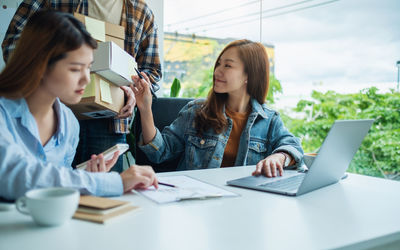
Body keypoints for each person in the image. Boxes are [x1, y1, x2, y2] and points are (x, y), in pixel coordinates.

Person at [0, 10, 158, 201]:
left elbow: (56, 191)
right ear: (39, 64)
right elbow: (14, 175)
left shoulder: (68, 123)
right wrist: (111, 182)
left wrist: (88, 179)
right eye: (75, 69)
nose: (86, 78)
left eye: (88, 67)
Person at [133, 39, 304, 177]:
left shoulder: (269, 120)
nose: (217, 71)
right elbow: (160, 153)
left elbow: (294, 148)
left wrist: (280, 156)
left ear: (249, 75)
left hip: (245, 204)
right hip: (197, 204)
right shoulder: (196, 111)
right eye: (219, 64)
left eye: (227, 66)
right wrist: (145, 109)